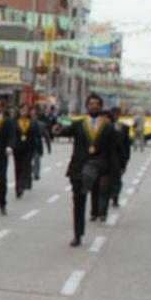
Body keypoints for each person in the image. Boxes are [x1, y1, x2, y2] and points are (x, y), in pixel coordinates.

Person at [52, 93, 116, 247]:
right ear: (87, 106)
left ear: (101, 107)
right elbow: (64, 132)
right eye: (91, 104)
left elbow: (111, 152)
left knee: (97, 196)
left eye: (97, 104)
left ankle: (98, 212)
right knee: (78, 202)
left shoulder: (107, 128)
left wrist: (111, 172)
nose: (94, 106)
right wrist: (56, 130)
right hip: (78, 169)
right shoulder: (79, 124)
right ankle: (77, 234)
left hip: (98, 168)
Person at [13, 103, 40, 197]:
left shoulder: (32, 122)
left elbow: (37, 136)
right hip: (17, 148)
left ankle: (21, 185)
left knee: (25, 166)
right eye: (22, 109)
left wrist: (38, 148)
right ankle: (17, 185)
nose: (24, 111)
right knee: (18, 167)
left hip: (29, 148)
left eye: (26, 109)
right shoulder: (15, 121)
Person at [108, 107, 131, 209]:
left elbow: (126, 145)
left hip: (118, 159)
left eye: (117, 114)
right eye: (113, 114)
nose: (115, 116)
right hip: (105, 158)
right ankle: (106, 196)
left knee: (117, 179)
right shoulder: (104, 126)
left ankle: (115, 198)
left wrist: (126, 160)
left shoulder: (124, 128)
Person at [31, 104, 51, 180]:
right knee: (27, 161)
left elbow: (47, 136)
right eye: (31, 114)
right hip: (27, 146)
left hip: (37, 145)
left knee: (37, 159)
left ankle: (36, 174)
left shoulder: (41, 125)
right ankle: (32, 170)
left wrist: (49, 148)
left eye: (34, 115)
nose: (32, 116)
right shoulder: (25, 123)